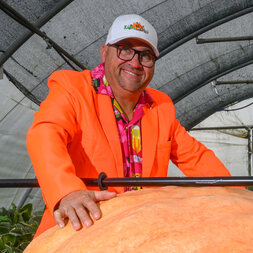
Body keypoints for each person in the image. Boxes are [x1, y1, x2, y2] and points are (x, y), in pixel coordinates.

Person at [26, 14, 230, 235]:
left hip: (138, 236)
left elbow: (197, 158)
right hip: (81, 229)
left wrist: (240, 197)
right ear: (105, 52)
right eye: (124, 49)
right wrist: (67, 192)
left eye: (145, 55)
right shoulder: (73, 88)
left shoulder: (160, 106)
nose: (135, 63)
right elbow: (45, 134)